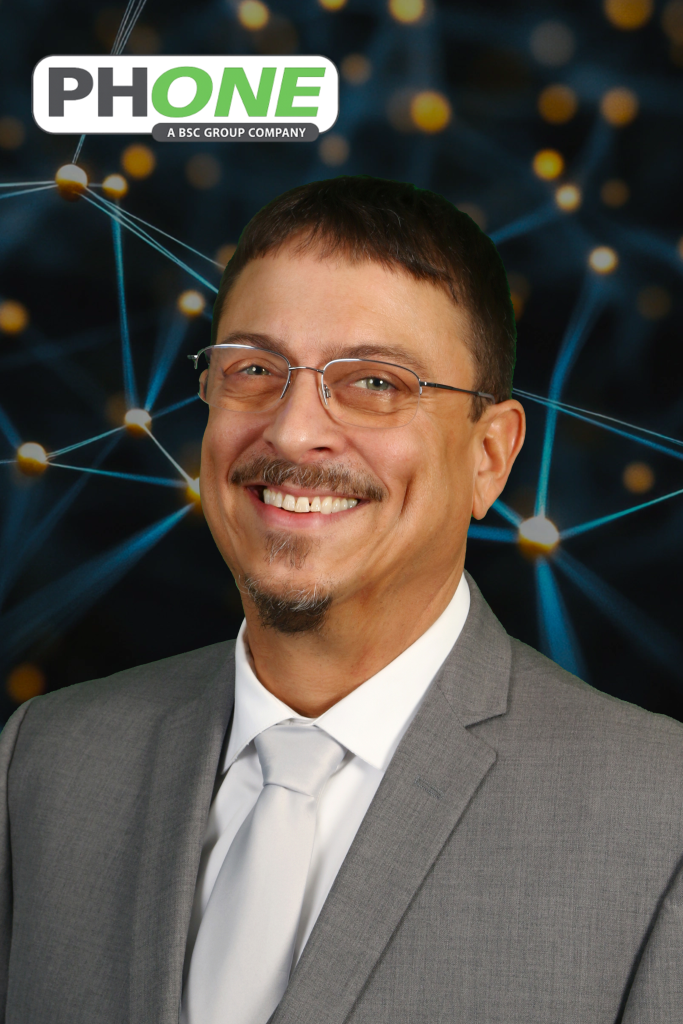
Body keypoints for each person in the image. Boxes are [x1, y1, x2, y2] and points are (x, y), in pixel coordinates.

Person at [1, 176, 682, 1024]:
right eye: (254, 369)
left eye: (375, 383)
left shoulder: (659, 818)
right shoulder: (42, 762)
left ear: (489, 458)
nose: (292, 431)